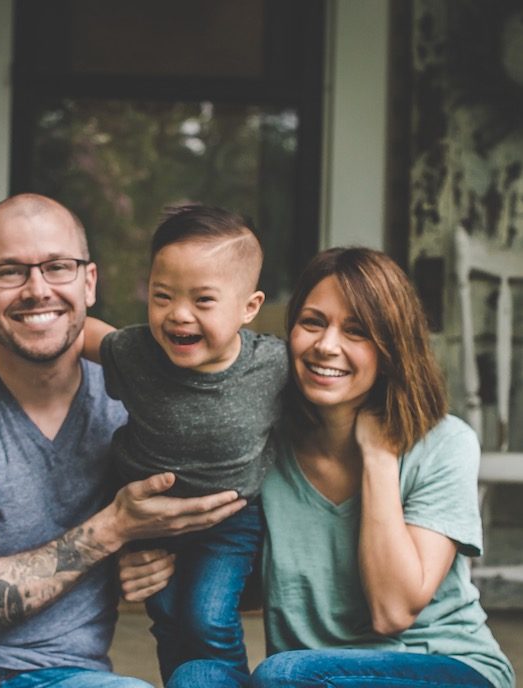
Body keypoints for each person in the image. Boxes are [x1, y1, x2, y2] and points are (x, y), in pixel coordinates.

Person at [0, 193, 246, 688]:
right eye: (9, 271)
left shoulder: (130, 405)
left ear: (89, 282)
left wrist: (152, 561)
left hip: (71, 675)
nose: (37, 289)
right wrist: (115, 529)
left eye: (58, 267)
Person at [121, 246, 515, 688]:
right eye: (312, 322)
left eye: (357, 331)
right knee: (196, 678)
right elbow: (260, 585)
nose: (327, 346)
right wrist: (156, 564)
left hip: (445, 669)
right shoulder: (264, 445)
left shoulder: (443, 443)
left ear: (391, 347)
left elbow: (392, 612)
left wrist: (379, 458)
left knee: (285, 673)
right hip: (310, 678)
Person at [82, 204, 290, 683]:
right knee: (170, 617)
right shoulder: (135, 353)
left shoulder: (272, 365)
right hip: (151, 520)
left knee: (208, 617)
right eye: (162, 296)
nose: (178, 315)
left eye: (203, 300)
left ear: (249, 307)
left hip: (230, 521)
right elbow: (88, 334)